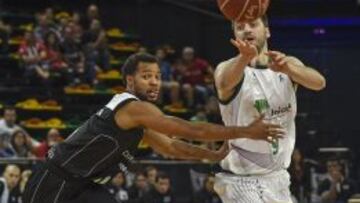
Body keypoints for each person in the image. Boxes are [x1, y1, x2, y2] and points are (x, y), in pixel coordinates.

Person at [23, 53, 283, 203]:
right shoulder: (132, 108)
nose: (155, 82)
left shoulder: (140, 121)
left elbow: (170, 146)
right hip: (53, 182)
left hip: (82, 187)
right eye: (146, 76)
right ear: (129, 81)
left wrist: (212, 155)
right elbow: (188, 130)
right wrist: (245, 131)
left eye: (158, 76)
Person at [213, 15, 326, 203]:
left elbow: (319, 82)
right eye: (240, 27)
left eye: (253, 24)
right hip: (242, 181)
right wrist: (244, 57)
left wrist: (289, 69)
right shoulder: (227, 68)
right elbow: (224, 83)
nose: (247, 30)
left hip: (278, 178)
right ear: (235, 36)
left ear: (267, 31)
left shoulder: (287, 64)